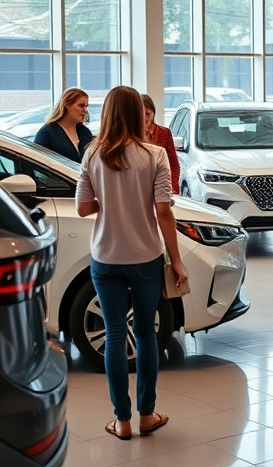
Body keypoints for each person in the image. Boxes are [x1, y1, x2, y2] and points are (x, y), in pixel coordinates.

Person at [76, 86, 187, 440]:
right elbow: (164, 211)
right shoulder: (155, 155)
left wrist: (109, 199)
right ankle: (146, 415)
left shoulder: (92, 153)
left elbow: (82, 207)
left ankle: (121, 422)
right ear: (139, 114)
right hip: (145, 257)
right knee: (145, 335)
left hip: (105, 257)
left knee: (114, 336)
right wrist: (177, 260)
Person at [34, 88, 93, 163]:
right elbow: (38, 164)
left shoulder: (85, 132)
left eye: (86, 106)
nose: (85, 110)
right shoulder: (47, 133)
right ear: (67, 105)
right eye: (81, 106)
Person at [141, 94, 180, 194]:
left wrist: (173, 189)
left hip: (162, 186)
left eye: (148, 114)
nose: (145, 118)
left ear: (153, 112)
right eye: (141, 115)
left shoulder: (164, 133)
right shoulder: (132, 135)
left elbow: (173, 165)